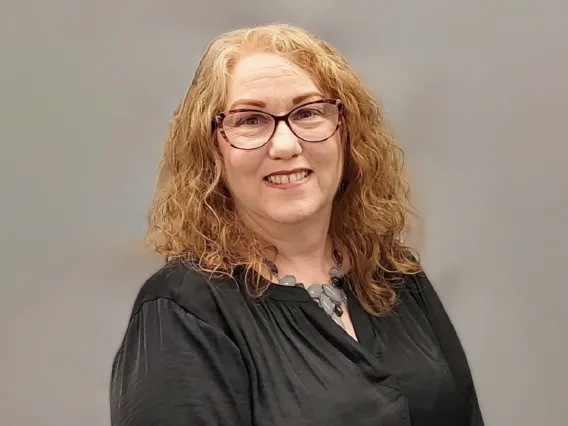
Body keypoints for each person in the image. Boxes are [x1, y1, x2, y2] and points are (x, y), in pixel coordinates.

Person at [109, 24, 484, 426]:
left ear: (346, 131)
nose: (285, 145)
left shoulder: (394, 276)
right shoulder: (183, 309)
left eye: (308, 113)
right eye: (250, 120)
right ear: (212, 150)